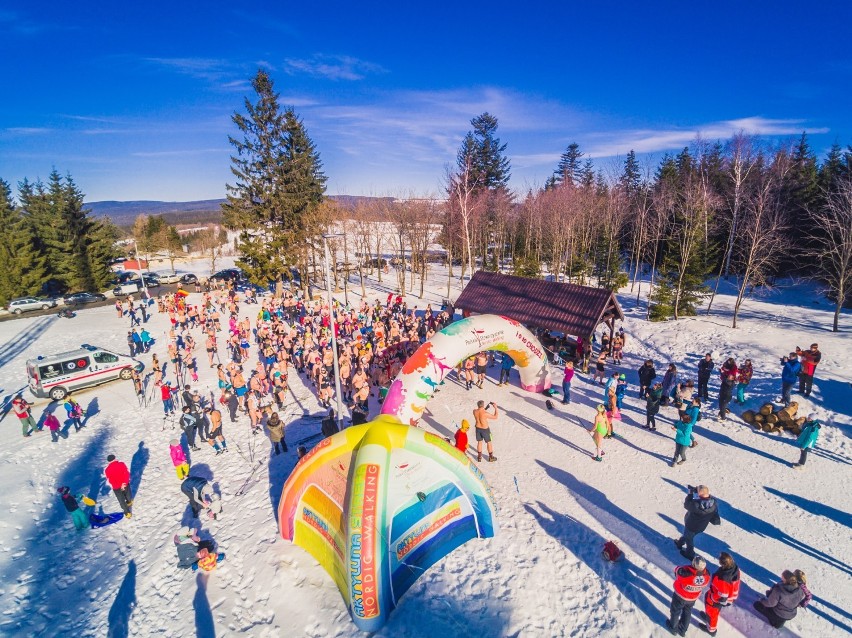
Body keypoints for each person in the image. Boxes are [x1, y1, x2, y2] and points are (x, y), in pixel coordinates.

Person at [674, 484, 721, 560]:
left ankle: (690, 553)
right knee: (688, 536)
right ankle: (680, 542)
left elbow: (686, 504)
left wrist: (690, 493)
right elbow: (703, 499)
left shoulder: (696, 505)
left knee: (689, 539)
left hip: (691, 526)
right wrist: (697, 493)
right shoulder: (714, 503)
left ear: (699, 494)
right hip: (701, 526)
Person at [667, 555, 709, 636]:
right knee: (687, 612)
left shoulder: (685, 574)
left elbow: (677, 571)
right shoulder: (707, 575)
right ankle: (682, 630)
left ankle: (673, 628)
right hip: (693, 598)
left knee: (675, 612)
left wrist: (682, 569)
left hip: (680, 596)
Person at [701, 552, 740, 637]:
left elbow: (722, 597)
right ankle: (708, 618)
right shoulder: (734, 568)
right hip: (725, 597)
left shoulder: (723, 578)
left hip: (716, 599)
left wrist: (711, 597)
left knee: (713, 614)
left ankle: (711, 629)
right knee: (711, 612)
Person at [672, 398, 700, 466]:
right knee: (687, 433)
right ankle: (674, 461)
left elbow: (694, 417)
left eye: (694, 400)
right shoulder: (691, 405)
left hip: (689, 422)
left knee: (687, 433)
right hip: (685, 419)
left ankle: (693, 441)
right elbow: (686, 402)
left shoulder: (696, 409)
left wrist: (690, 424)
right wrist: (680, 399)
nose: (692, 401)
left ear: (697, 403)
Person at [104, 454, 133, 519]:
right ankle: (129, 502)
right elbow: (127, 473)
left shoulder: (107, 470)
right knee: (128, 494)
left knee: (121, 500)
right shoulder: (121, 464)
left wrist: (118, 485)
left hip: (116, 487)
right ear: (114, 458)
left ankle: (127, 513)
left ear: (108, 461)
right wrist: (124, 483)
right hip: (125, 484)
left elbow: (110, 480)